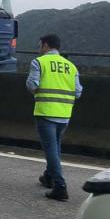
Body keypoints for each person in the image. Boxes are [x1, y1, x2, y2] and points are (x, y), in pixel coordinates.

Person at [27, 34, 83, 202]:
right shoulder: (71, 66)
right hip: (64, 114)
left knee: (50, 149)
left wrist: (38, 91)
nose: (39, 49)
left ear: (45, 45)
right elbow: (78, 92)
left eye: (40, 46)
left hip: (46, 112)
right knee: (55, 145)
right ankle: (48, 177)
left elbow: (32, 85)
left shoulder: (39, 62)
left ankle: (60, 186)